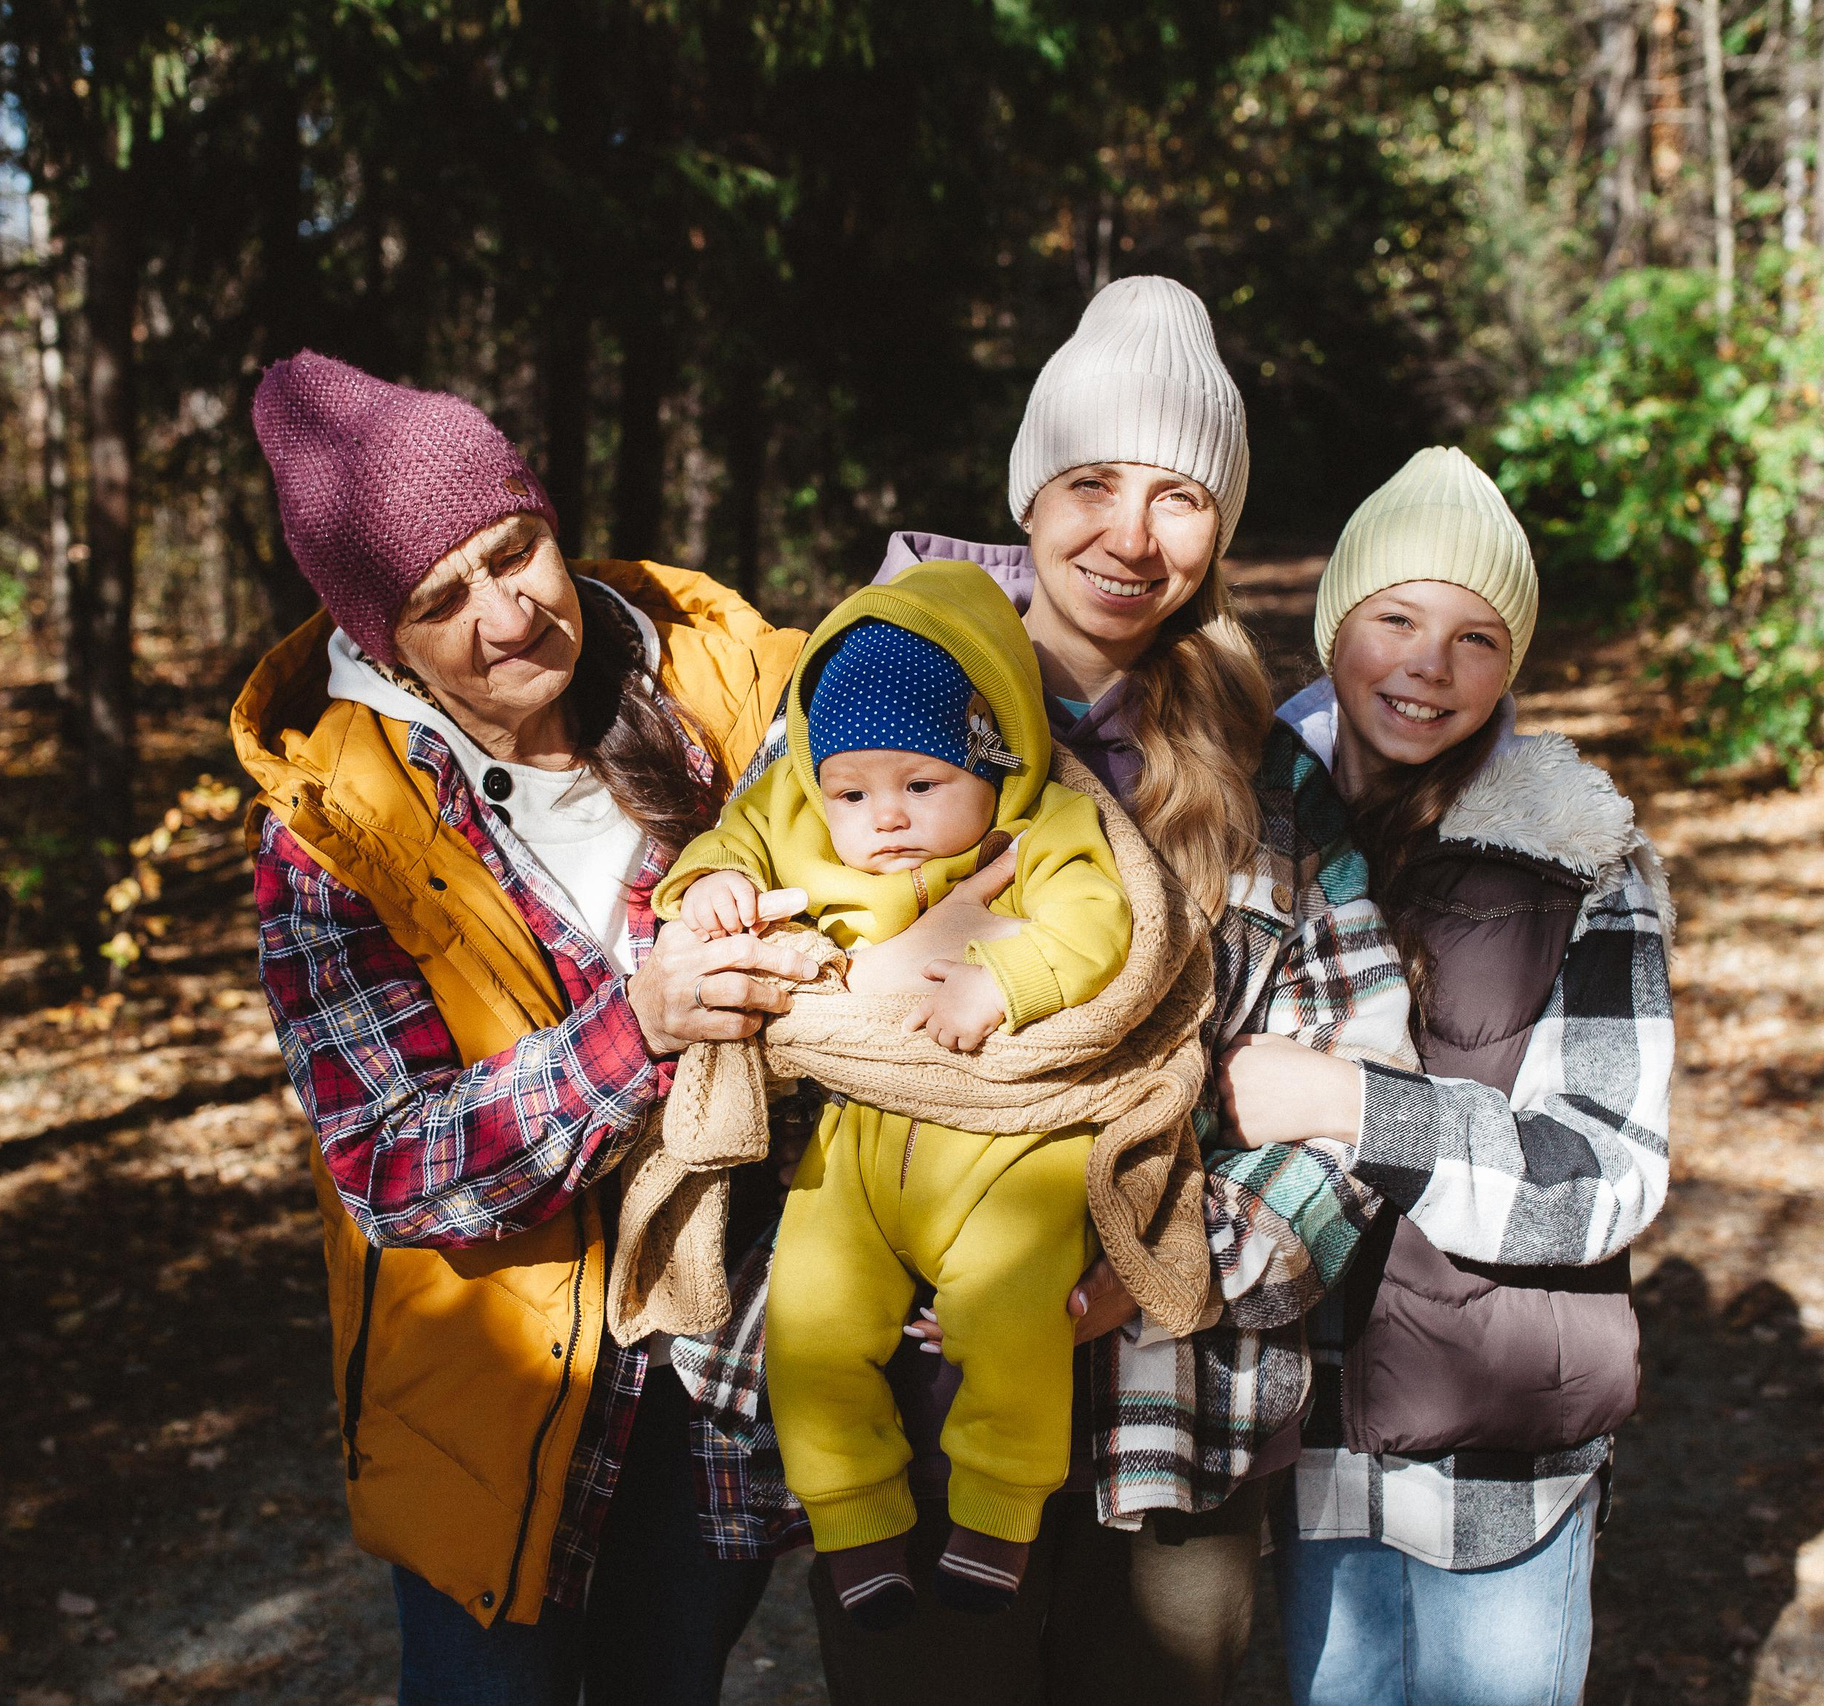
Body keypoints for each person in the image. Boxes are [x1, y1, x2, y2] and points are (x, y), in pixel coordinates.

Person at [680, 274, 1391, 1706]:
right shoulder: (870, 693)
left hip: (1169, 1412)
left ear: (1224, 524)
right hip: (908, 1380)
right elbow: (732, 978)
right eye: (1090, 480)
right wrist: (875, 984)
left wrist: (1160, 1268)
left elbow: (1360, 1061)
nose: (1131, 535)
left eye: (1180, 494)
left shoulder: (1267, 767)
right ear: (1028, 490)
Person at [229, 351, 822, 1705]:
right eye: (444, 599)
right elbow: (394, 1163)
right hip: (498, 1399)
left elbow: (899, 717)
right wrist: (643, 1026)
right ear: (379, 638)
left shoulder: (712, 676)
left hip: (716, 1350)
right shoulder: (333, 828)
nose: (510, 614)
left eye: (518, 552)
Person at [1218, 446, 1677, 1706]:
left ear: (1512, 664)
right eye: (1396, 618)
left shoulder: (1579, 859)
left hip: (1500, 1464)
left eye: (1476, 637)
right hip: (1305, 1447)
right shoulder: (1247, 828)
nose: (1428, 663)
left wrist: (1355, 1105)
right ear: (1333, 627)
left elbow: (1607, 1178)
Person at [661, 560, 1140, 1622]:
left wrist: (1004, 978)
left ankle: (998, 1512)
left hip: (1008, 1151)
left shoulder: (1041, 828)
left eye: (921, 784)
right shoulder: (791, 808)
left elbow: (1103, 925)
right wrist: (715, 885)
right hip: (855, 1145)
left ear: (994, 758)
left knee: (1015, 1316)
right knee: (809, 1319)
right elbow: (720, 846)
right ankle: (854, 1521)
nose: (881, 816)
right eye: (852, 790)